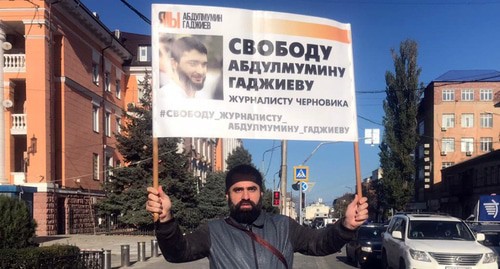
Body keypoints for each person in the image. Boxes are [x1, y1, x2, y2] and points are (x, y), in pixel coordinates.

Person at [146, 164, 368, 268]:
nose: (245, 196)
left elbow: (320, 244)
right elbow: (177, 253)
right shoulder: (213, 231)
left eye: (251, 189)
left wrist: (346, 226)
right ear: (227, 195)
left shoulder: (284, 226)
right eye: (237, 190)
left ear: (261, 193)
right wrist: (166, 220)